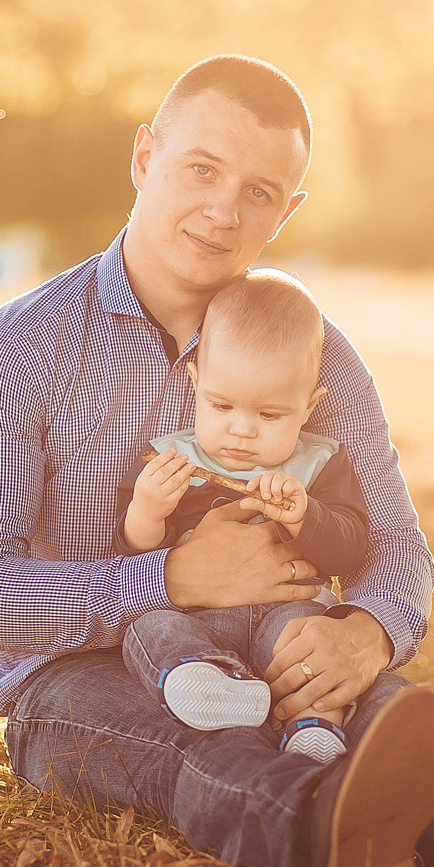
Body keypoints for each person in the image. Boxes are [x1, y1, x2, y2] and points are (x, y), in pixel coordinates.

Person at [0, 53, 434, 867]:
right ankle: (316, 826)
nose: (223, 210)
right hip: (75, 678)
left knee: (368, 703)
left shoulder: (317, 354)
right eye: (201, 169)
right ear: (145, 158)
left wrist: (367, 631)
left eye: (259, 192)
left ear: (287, 210)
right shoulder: (15, 352)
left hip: (267, 637)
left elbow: (398, 541)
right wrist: (169, 578)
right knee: (186, 740)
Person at [117, 268, 368, 764]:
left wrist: (305, 516)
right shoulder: (171, 461)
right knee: (148, 630)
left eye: (269, 415)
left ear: (307, 407)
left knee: (310, 641)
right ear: (195, 386)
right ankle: (209, 685)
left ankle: (314, 729)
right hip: (199, 619)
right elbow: (137, 555)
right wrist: (147, 509)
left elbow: (353, 548)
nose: (240, 430)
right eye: (221, 405)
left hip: (286, 613)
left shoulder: (319, 463)